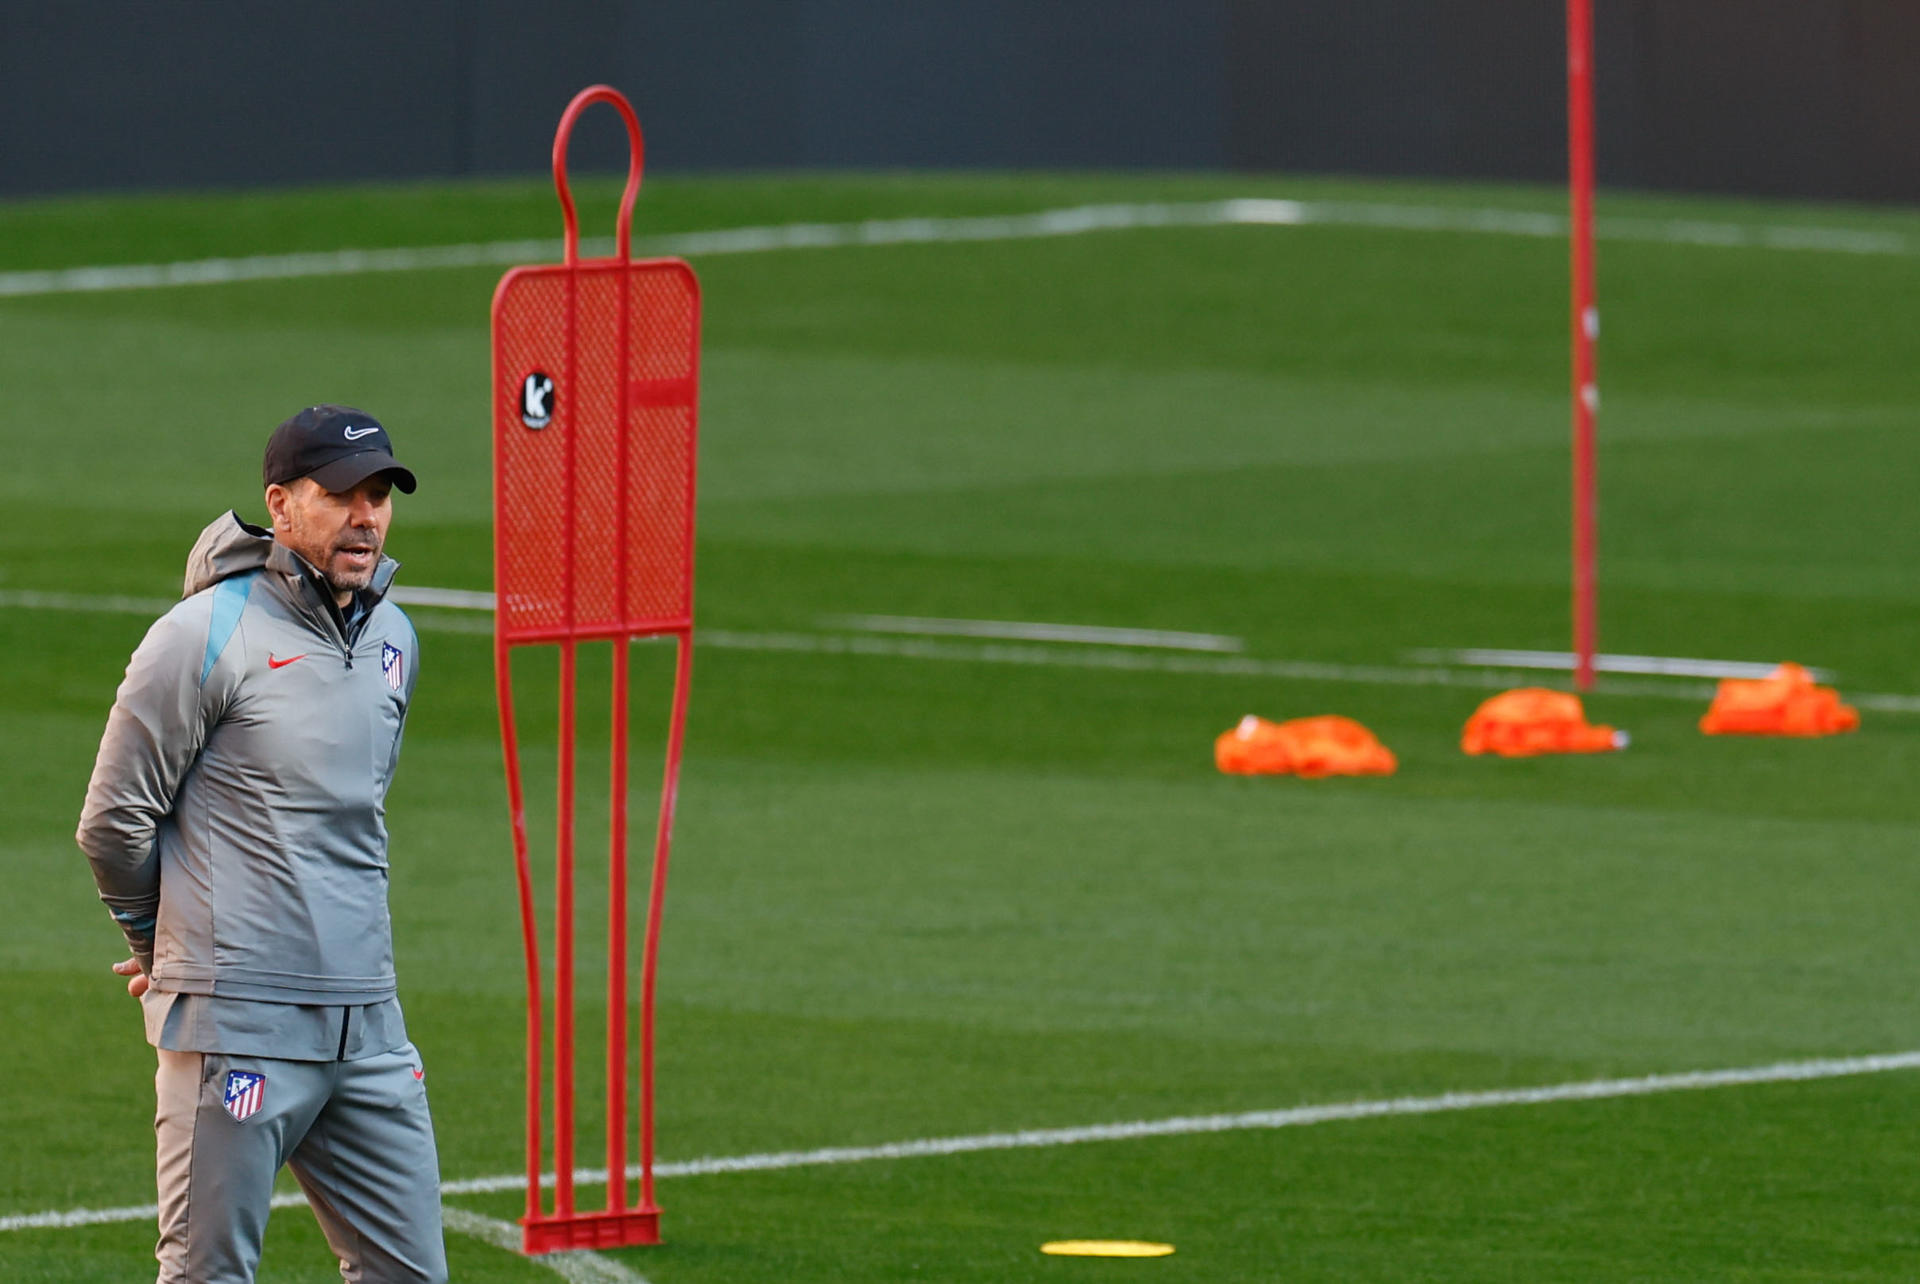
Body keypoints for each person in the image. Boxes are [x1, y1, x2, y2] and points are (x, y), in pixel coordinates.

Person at [76, 405, 447, 1283]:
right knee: (209, 1275)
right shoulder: (203, 634)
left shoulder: (394, 641)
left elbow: (354, 818)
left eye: (380, 494)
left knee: (411, 1275)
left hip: (369, 1027)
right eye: (341, 495)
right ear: (281, 505)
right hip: (236, 1024)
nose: (367, 515)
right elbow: (113, 820)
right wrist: (155, 942)